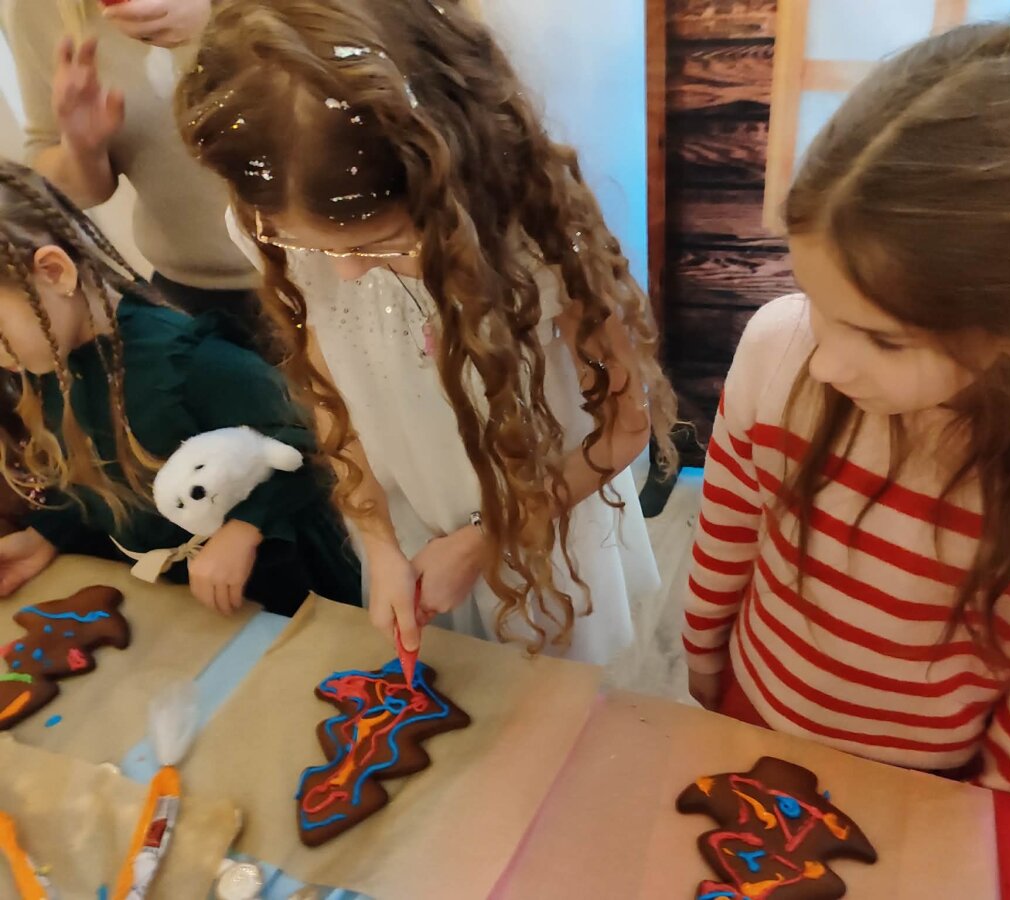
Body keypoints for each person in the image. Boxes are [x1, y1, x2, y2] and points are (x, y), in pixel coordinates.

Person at [681, 20, 1010, 796]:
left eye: (884, 339)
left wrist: (976, 818)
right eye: (816, 299)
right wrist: (703, 662)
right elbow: (727, 529)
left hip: (927, 788)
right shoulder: (777, 349)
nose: (826, 363)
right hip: (751, 713)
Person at [176, 0, 677, 663]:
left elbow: (624, 430)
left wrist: (486, 537)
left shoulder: (536, 240)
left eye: (382, 242)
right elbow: (332, 393)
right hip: (404, 519)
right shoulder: (278, 219)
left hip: (538, 520)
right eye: (318, 250)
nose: (347, 273)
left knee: (547, 687)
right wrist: (379, 541)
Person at [0, 160, 361, 616]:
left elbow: (312, 443)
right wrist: (45, 537)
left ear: (54, 272)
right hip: (182, 603)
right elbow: (108, 484)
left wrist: (245, 529)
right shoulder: (43, 369)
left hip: (288, 591)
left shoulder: (190, 361)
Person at [1, 0, 272, 353]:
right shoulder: (36, 9)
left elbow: (338, 57)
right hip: (201, 295)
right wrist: (82, 148)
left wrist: (223, 19)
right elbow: (64, 189)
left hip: (329, 257)